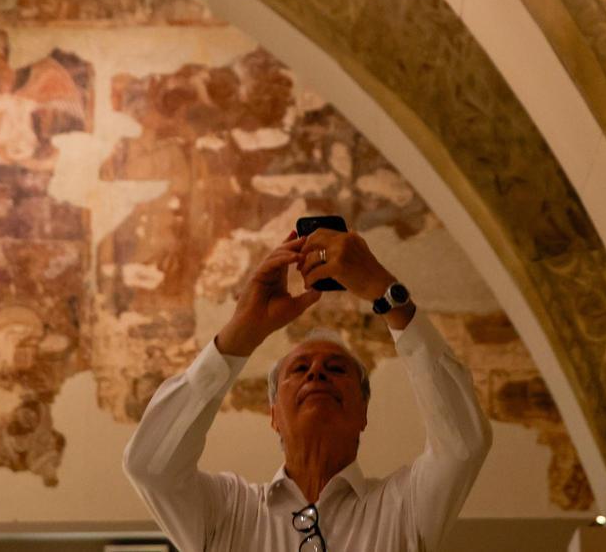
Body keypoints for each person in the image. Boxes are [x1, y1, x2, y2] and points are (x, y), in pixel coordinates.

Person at [124, 228, 492, 551]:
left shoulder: (402, 507)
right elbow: (151, 466)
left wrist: (384, 291)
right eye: (299, 369)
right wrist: (243, 330)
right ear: (273, 415)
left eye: (336, 369)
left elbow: (463, 446)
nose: (317, 373)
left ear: (364, 411)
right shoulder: (228, 511)